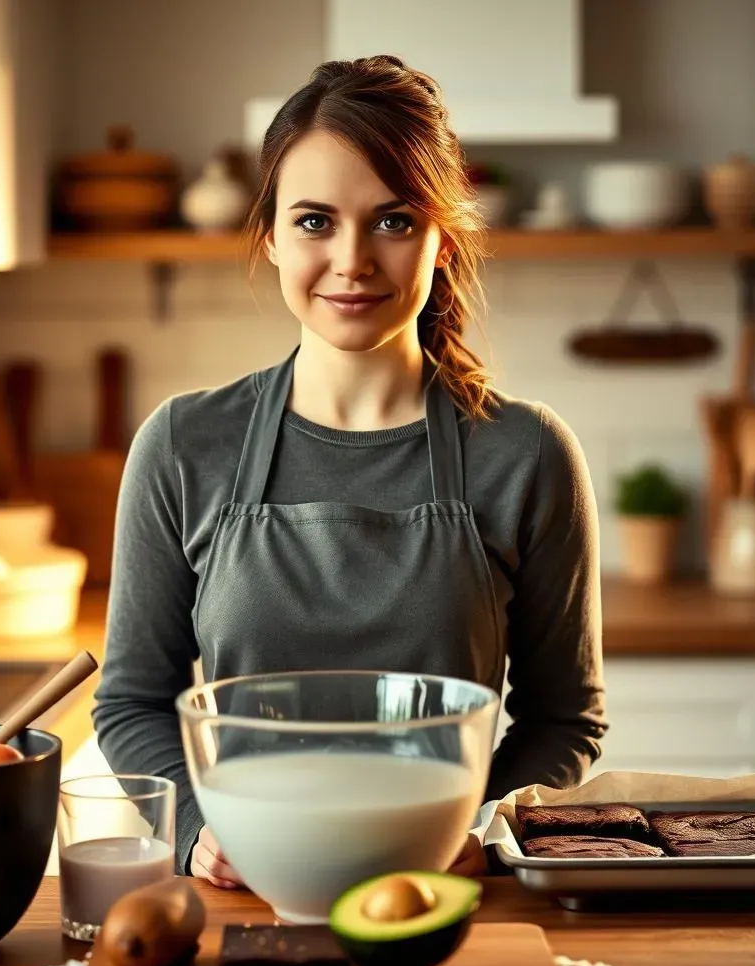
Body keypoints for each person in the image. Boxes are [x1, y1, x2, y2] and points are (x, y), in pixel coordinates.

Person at [93, 55, 607, 888]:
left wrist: (482, 830)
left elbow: (563, 719)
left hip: (444, 899)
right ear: (269, 235)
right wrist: (197, 829)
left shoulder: (528, 454)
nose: (353, 259)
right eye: (314, 221)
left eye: (394, 220)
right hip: (246, 895)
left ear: (444, 239)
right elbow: (131, 701)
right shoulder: (183, 445)